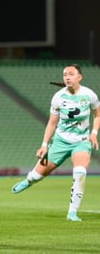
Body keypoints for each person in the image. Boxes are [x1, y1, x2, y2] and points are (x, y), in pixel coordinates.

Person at [11, 64, 100, 221]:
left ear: (79, 77)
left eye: (71, 74)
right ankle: (29, 180)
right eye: (65, 74)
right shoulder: (58, 97)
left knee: (80, 173)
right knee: (38, 176)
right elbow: (52, 123)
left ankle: (72, 212)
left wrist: (93, 133)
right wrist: (44, 145)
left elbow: (97, 114)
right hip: (60, 141)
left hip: (81, 142)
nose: (67, 77)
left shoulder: (89, 95)